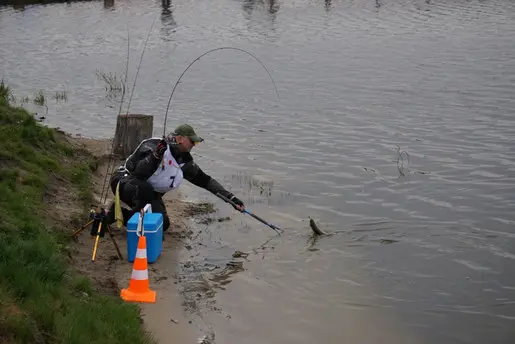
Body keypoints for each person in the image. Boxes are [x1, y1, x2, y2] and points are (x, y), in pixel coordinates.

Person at [105, 124, 245, 231]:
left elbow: (206, 181)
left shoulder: (184, 161)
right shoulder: (152, 145)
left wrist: (231, 199)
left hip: (147, 193)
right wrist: (155, 156)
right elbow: (139, 173)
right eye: (192, 142)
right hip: (123, 182)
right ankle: (139, 221)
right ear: (180, 138)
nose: (194, 145)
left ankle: (116, 214)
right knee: (144, 188)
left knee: (163, 224)